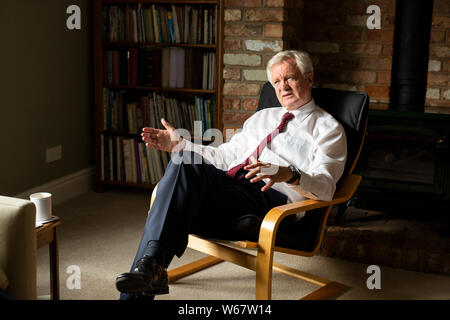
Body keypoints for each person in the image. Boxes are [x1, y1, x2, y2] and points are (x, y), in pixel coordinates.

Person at [115, 50, 347, 300]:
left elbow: (326, 187)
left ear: (309, 78)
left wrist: (289, 174)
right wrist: (179, 145)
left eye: (289, 78)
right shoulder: (262, 117)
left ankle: (141, 283)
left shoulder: (329, 129)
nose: (283, 87)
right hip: (230, 184)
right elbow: (224, 156)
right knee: (184, 160)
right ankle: (150, 267)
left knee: (170, 204)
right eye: (277, 82)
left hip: (268, 197)